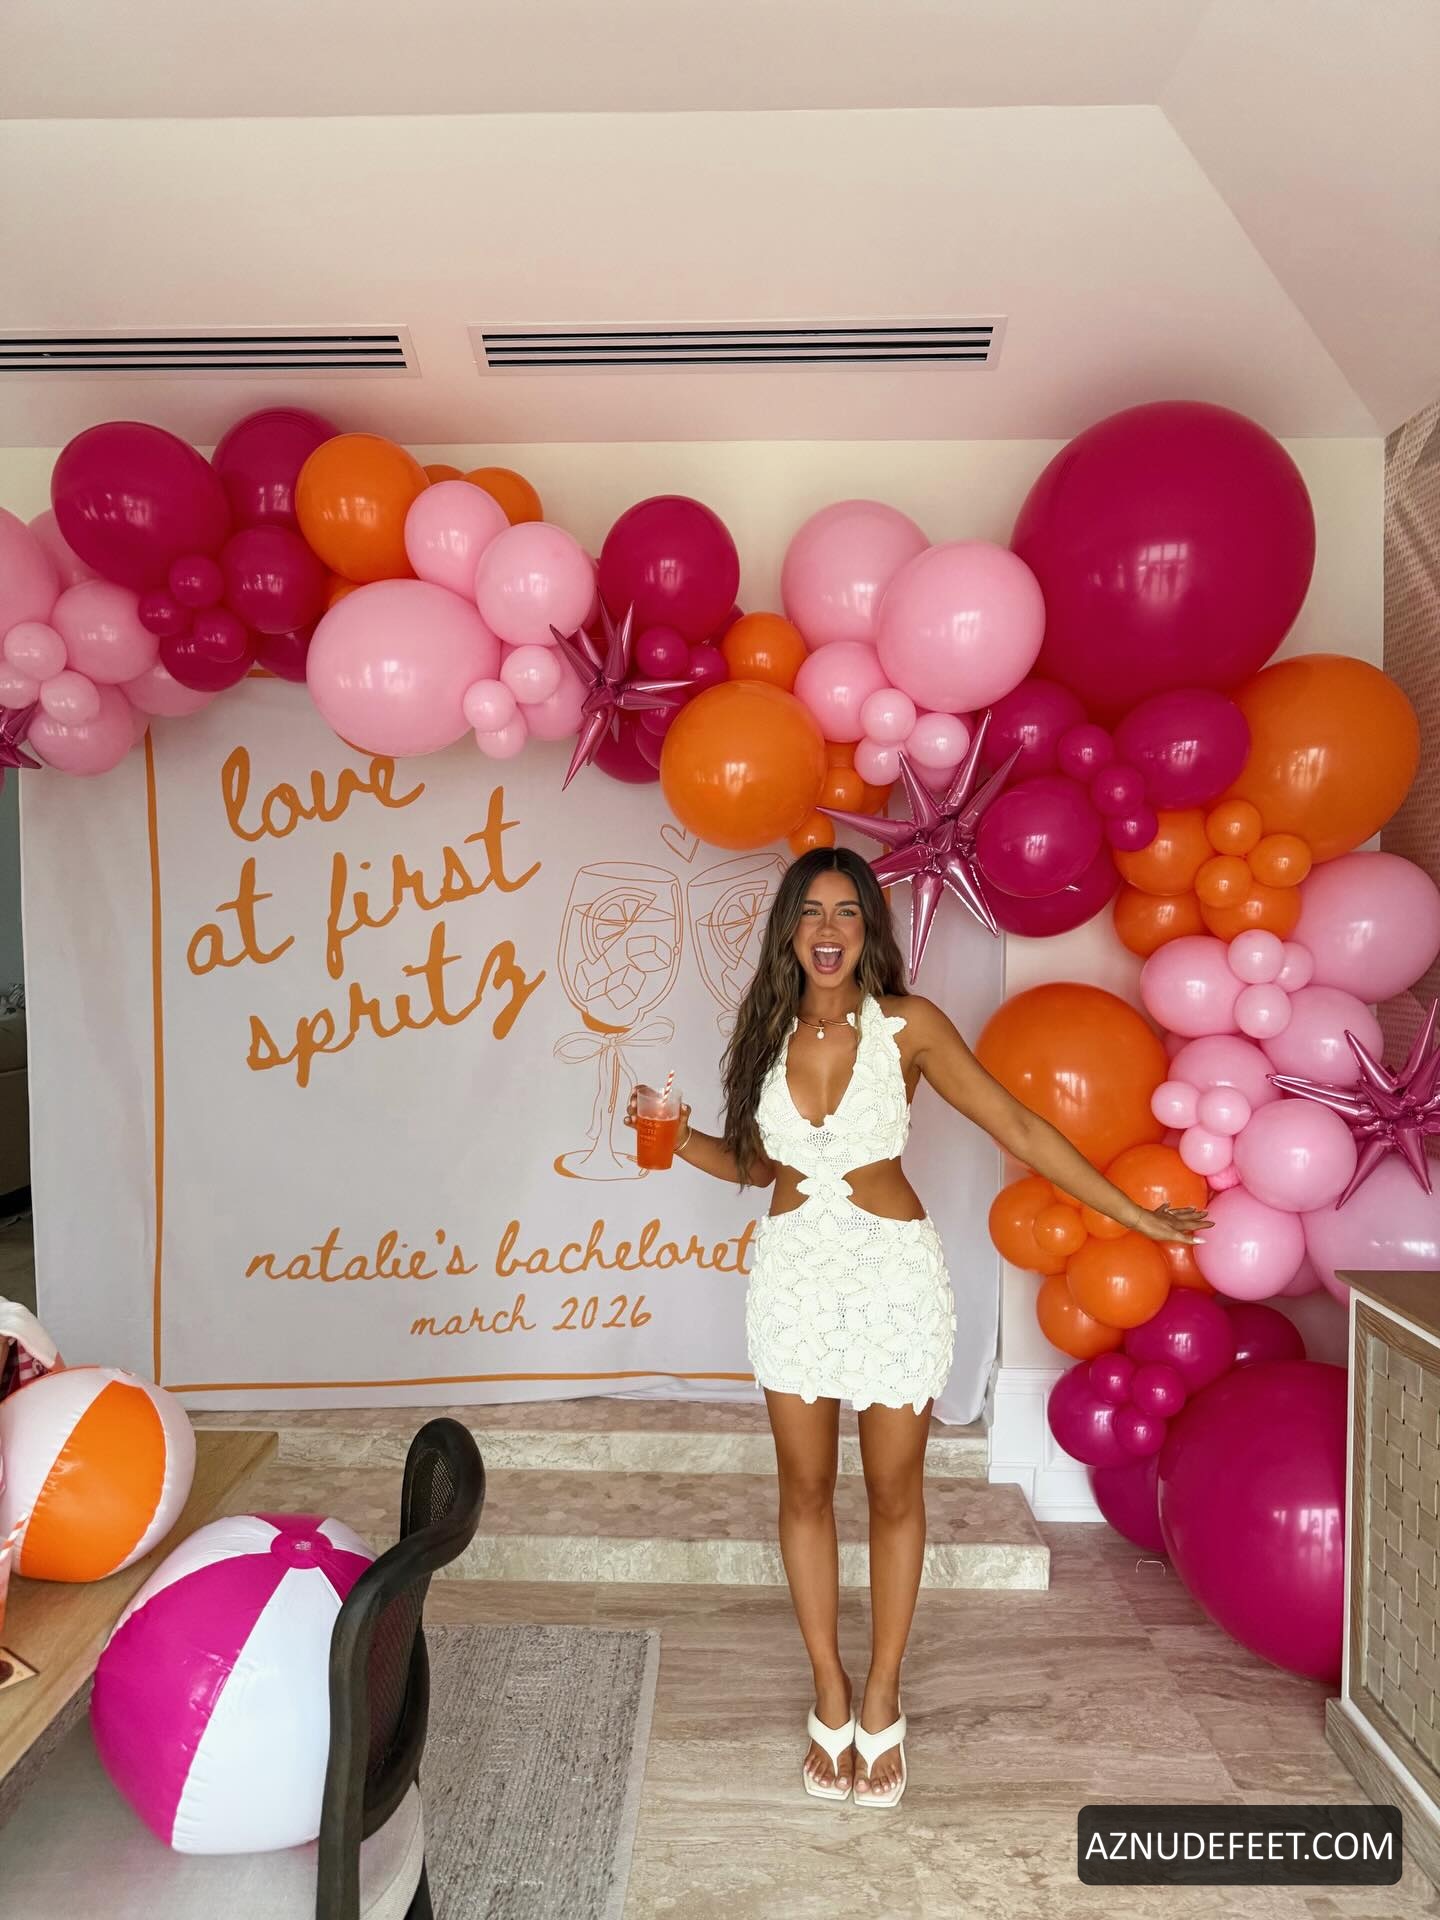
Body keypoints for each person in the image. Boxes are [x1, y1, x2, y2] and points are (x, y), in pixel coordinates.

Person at [627, 846, 1209, 1810]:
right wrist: (677, 1136)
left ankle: (883, 1696)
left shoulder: (910, 1026)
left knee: (895, 1490)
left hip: (892, 1279)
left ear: (869, 931)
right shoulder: (765, 1029)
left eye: (846, 912)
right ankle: (830, 1689)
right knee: (804, 1488)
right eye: (810, 912)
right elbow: (760, 1168)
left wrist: (1133, 1215)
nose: (827, 930)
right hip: (793, 1282)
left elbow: (1020, 1127)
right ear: (787, 930)